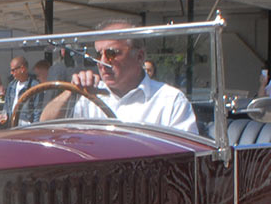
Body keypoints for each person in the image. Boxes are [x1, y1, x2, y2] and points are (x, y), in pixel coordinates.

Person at [41, 21, 198, 133]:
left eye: (111, 54)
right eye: (98, 55)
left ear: (139, 56)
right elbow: (45, 127)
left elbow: (186, 157)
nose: (102, 62)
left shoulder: (170, 100)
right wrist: (72, 91)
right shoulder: (88, 96)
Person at [1, 55, 47, 126]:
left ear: (22, 69)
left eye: (13, 70)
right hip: (12, 125)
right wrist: (3, 115)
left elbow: (38, 110)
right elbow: (6, 105)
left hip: (27, 126)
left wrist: (35, 128)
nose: (11, 73)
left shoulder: (34, 86)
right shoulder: (11, 85)